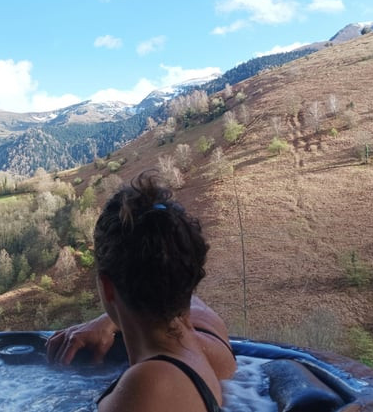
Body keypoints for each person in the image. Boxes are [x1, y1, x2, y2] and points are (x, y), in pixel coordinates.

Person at [46, 172, 236, 411]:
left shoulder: (152, 385)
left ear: (107, 287)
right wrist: (110, 320)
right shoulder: (199, 347)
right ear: (190, 274)